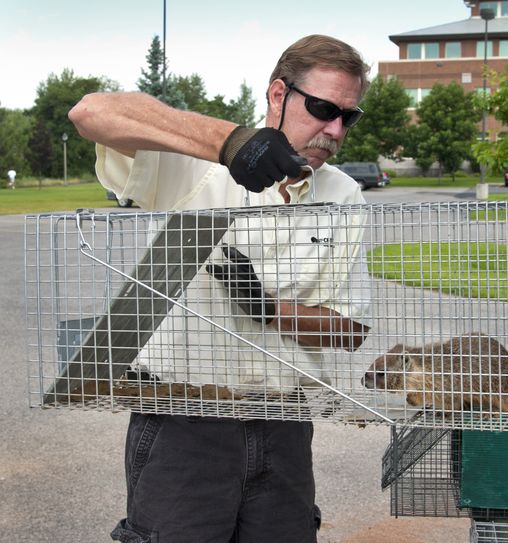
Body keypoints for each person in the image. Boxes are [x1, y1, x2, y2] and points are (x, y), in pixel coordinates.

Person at [69, 34, 371, 543]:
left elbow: (350, 331)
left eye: (349, 115)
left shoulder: (343, 193)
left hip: (284, 423)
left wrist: (267, 308)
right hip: (184, 420)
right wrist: (232, 143)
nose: (334, 129)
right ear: (278, 94)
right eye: (322, 108)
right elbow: (90, 112)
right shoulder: (193, 167)